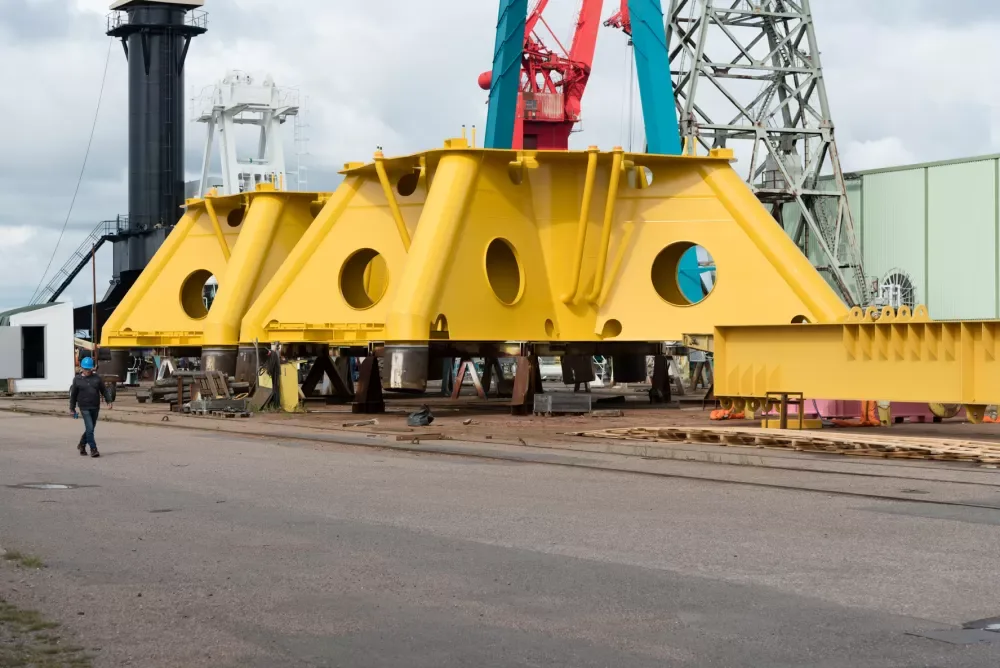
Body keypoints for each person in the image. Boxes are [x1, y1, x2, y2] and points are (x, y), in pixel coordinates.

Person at [69, 357, 114, 458]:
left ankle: (82, 444)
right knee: (90, 428)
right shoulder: (77, 379)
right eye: (86, 369)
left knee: (91, 428)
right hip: (84, 407)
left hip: (95, 406)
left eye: (89, 369)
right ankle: (93, 449)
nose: (88, 371)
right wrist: (72, 408)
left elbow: (104, 390)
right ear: (82, 368)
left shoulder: (97, 378)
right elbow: (73, 395)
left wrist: (109, 400)